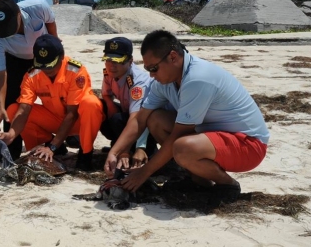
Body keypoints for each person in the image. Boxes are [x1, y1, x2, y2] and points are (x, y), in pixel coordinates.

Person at [105, 30, 270, 207]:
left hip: (249, 145)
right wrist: (114, 152)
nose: (151, 75)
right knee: (156, 119)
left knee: (183, 148)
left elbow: (178, 135)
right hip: (213, 136)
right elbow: (139, 119)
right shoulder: (164, 82)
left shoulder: (197, 79)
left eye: (154, 68)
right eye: (147, 70)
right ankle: (197, 178)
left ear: (173, 57)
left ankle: (227, 185)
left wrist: (143, 173)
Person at [0, 34, 105, 171]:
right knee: (13, 109)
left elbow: (72, 114)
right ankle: (51, 144)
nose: (46, 70)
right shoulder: (32, 75)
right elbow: (24, 109)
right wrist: (11, 134)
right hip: (54, 120)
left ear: (61, 56)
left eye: (50, 65)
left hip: (79, 121)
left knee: (91, 103)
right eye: (42, 65)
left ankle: (85, 154)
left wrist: (52, 146)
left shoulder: (76, 71)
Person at [0, 0, 59, 160]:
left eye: (12, 24)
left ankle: (63, 138)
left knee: (56, 96)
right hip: (16, 59)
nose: (10, 30)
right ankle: (11, 148)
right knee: (12, 103)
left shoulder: (38, 6)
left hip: (43, 55)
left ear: (19, 12)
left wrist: (55, 45)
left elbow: (50, 22)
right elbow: (0, 73)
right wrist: (0, 107)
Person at [100, 37, 157, 168]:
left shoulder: (137, 82)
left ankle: (142, 150)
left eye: (117, 61)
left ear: (130, 61)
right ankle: (118, 144)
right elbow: (106, 94)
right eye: (108, 60)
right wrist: (110, 106)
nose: (112, 66)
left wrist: (124, 150)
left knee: (118, 119)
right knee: (101, 108)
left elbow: (137, 118)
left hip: (146, 121)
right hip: (129, 112)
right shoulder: (109, 72)